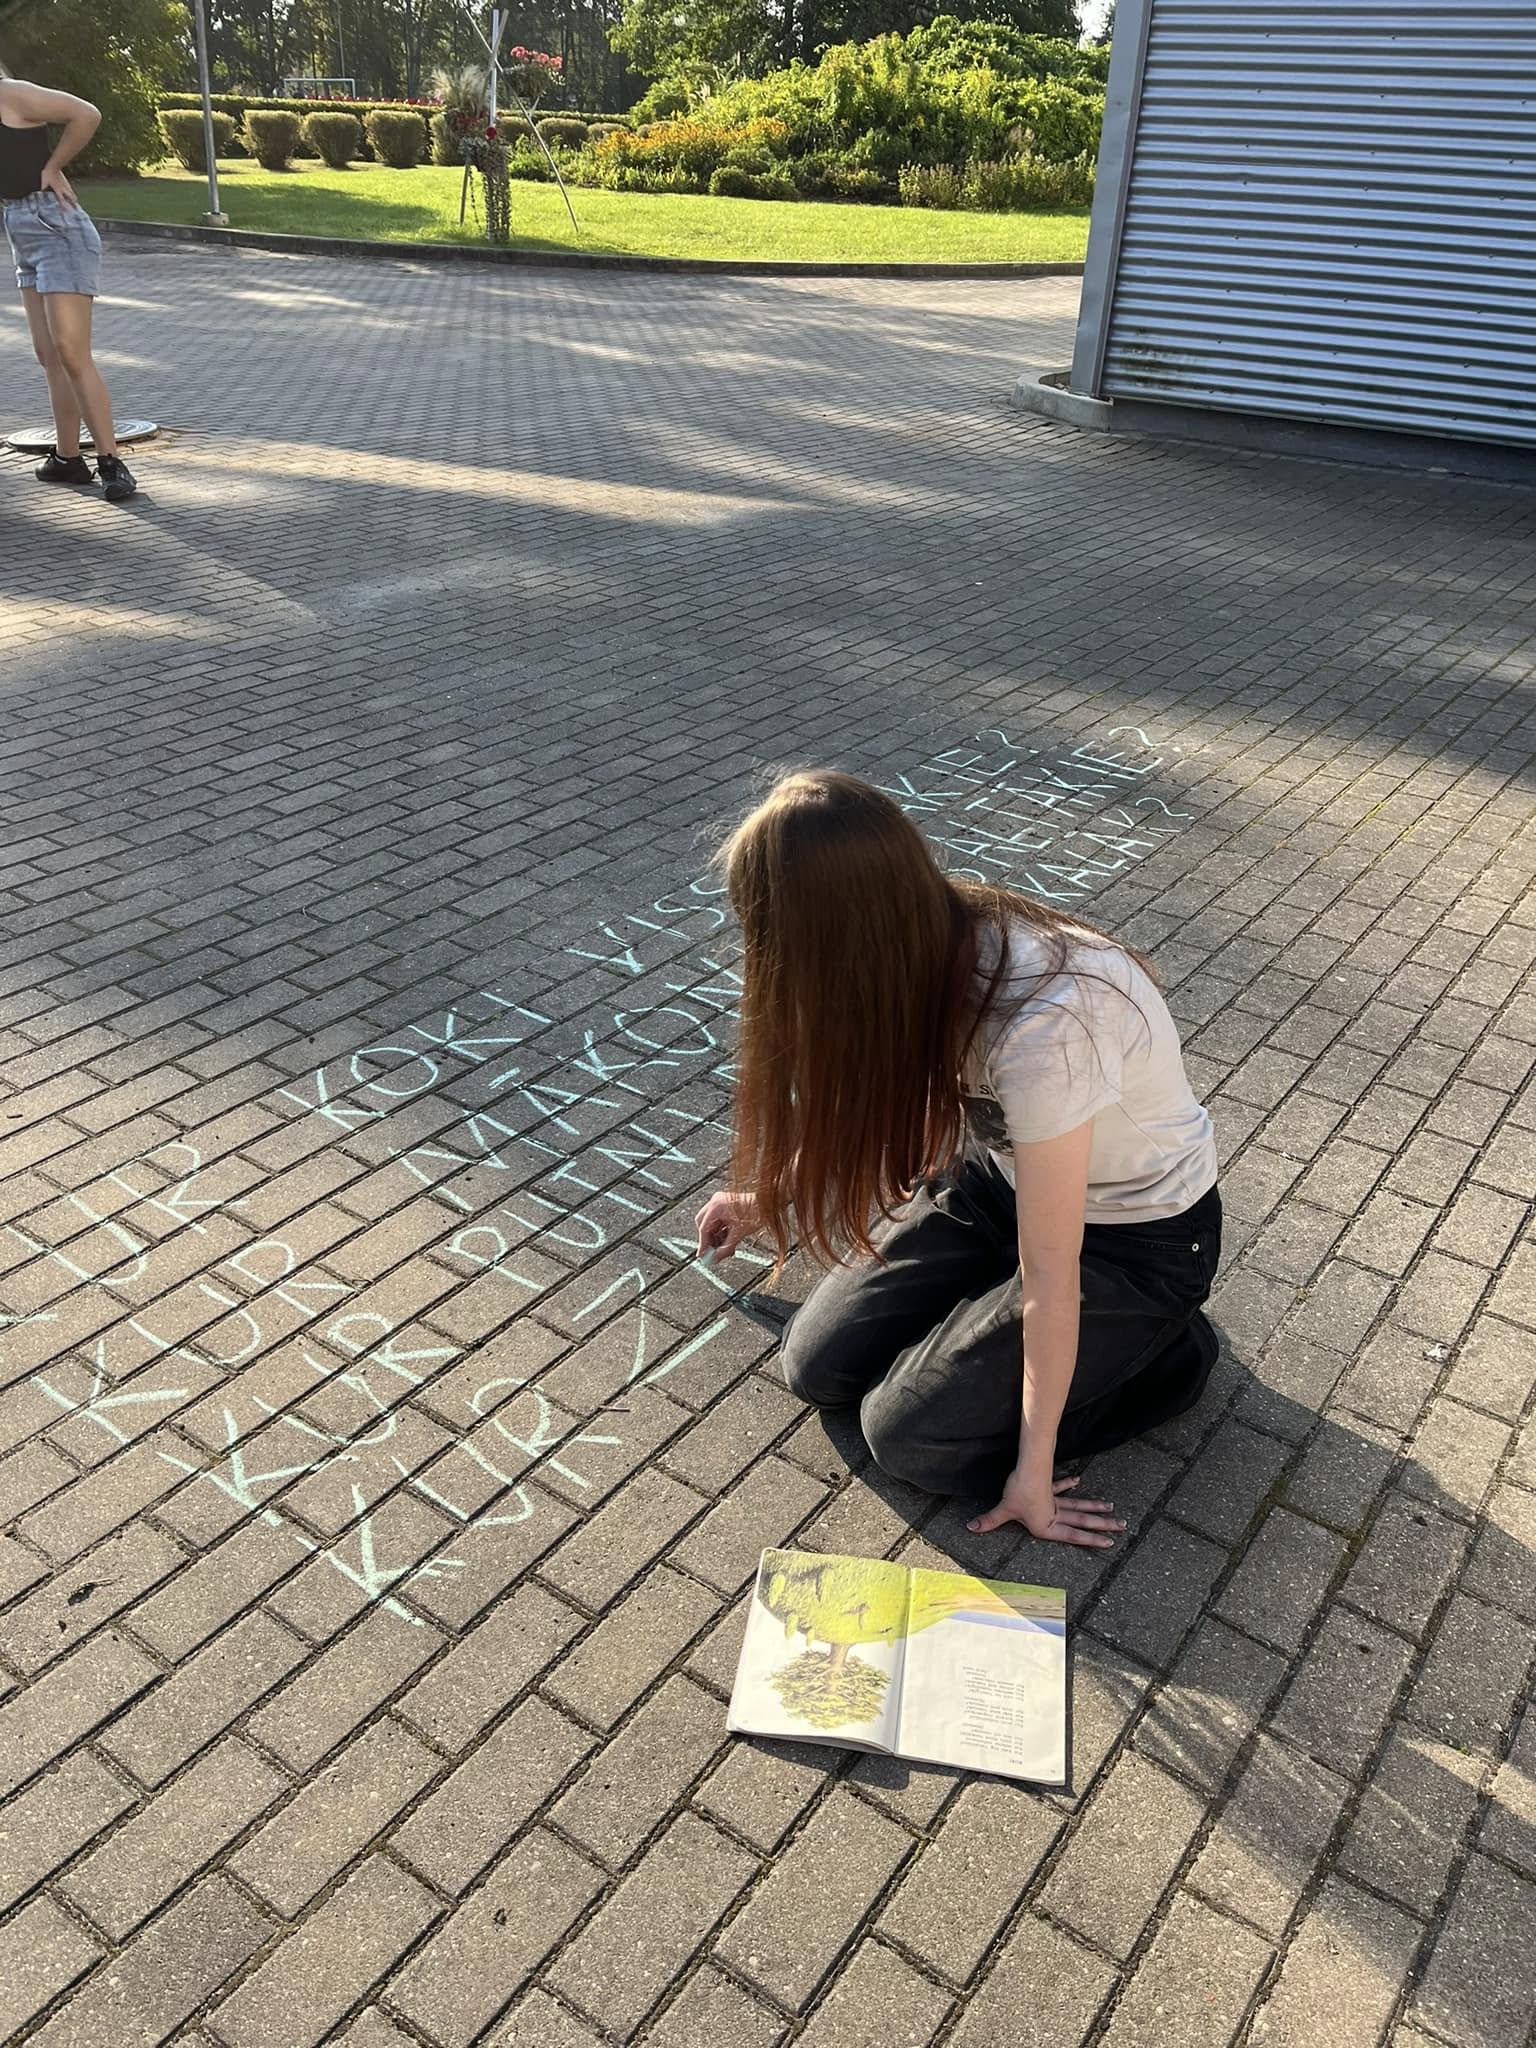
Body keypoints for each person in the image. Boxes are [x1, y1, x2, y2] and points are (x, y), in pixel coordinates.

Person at [695, 770, 1221, 1551]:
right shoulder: (909, 948)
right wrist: (772, 1193)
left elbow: (1052, 1276)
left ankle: (1167, 1349)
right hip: (994, 1184)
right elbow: (893, 1101)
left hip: (1132, 1242)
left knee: (908, 1438)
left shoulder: (1048, 1024)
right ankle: (999, 1317)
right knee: (814, 1366)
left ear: (846, 939)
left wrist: (1032, 1475)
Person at [1, 69, 136, 501]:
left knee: (72, 353)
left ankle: (111, 461)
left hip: (56, 227)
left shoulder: (12, 94)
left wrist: (53, 165)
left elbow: (86, 113)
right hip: (20, 229)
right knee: (49, 355)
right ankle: (67, 458)